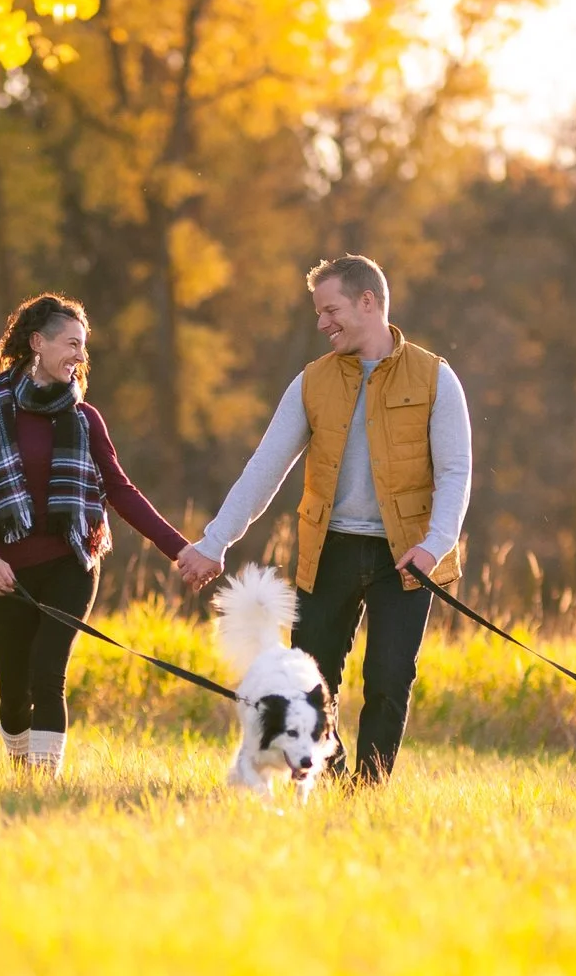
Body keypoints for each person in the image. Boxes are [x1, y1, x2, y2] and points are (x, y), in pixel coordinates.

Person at [172, 255, 471, 783]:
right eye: (318, 312)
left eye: (330, 309)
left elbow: (455, 472)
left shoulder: (435, 378)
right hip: (327, 550)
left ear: (367, 302)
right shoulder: (312, 382)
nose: (321, 322)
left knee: (389, 679)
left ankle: (370, 789)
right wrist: (215, 541)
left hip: (406, 557)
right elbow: (266, 467)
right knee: (311, 677)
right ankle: (325, 780)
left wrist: (435, 545)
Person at [0, 293, 191, 777]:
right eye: (71, 344)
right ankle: (21, 775)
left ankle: (42, 785)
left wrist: (181, 549)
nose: (80, 357)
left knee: (48, 674)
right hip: (9, 570)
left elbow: (121, 492)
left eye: (83, 347)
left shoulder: (85, 419)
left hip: (71, 563)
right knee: (13, 689)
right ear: (37, 343)